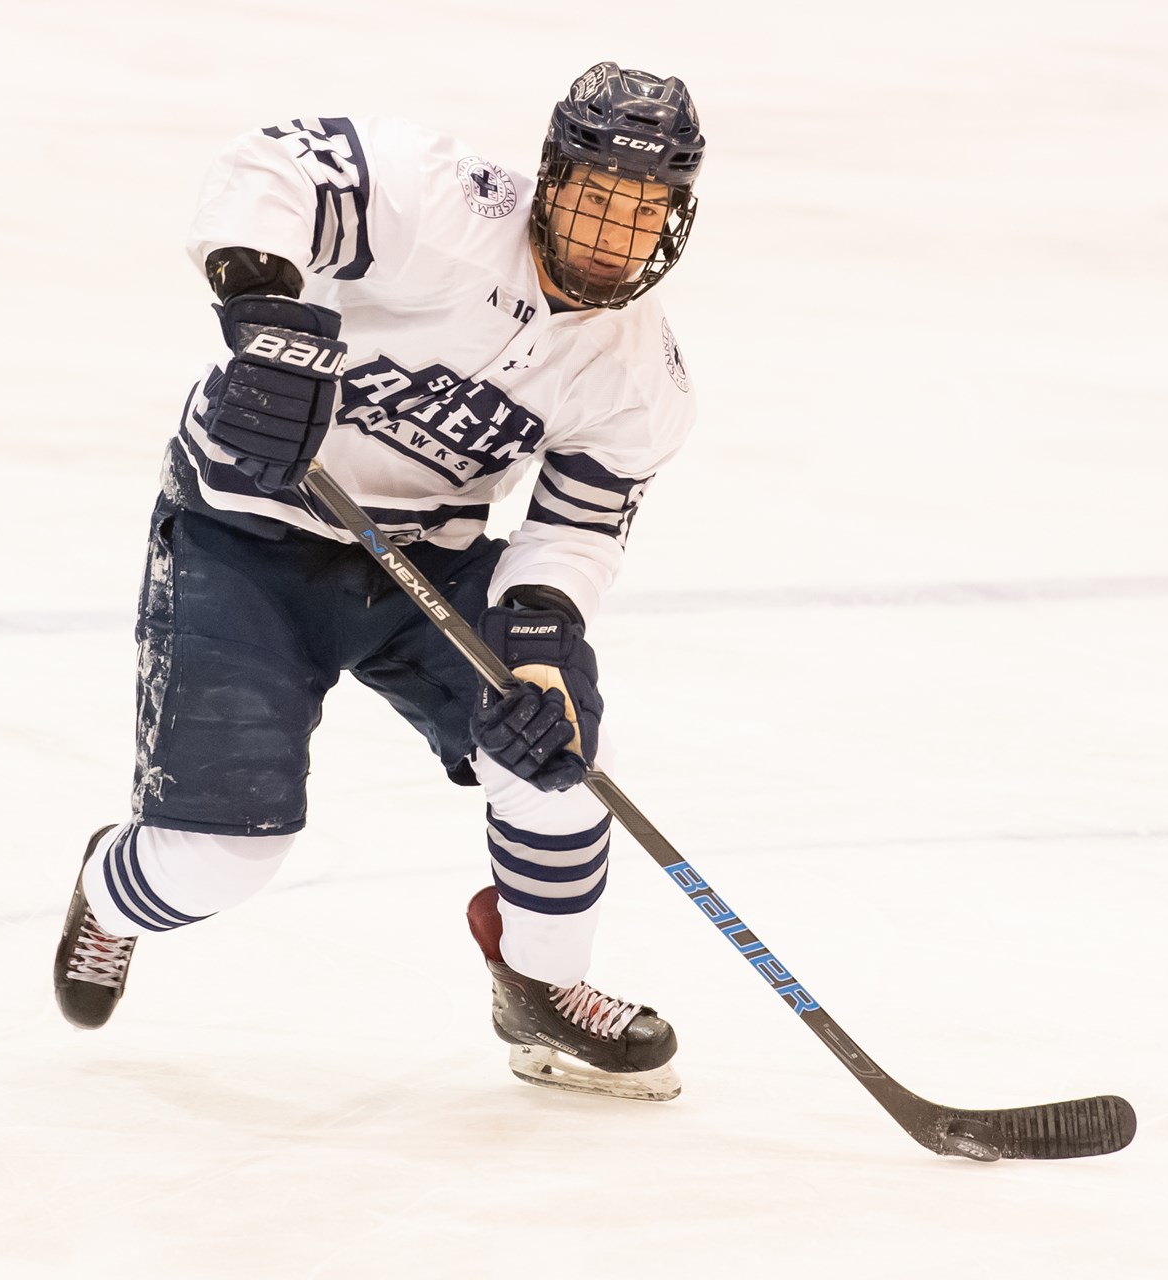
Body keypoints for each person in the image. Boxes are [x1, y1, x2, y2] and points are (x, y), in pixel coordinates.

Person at [52, 62, 706, 1102]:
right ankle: (112, 889)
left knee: (562, 756)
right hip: (243, 535)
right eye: (597, 198)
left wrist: (541, 648)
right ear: (551, 179)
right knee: (220, 859)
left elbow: (576, 530)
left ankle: (540, 982)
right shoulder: (447, 206)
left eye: (644, 211)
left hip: (425, 557)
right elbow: (272, 167)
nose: (612, 235)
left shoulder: (638, 373)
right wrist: (266, 309)